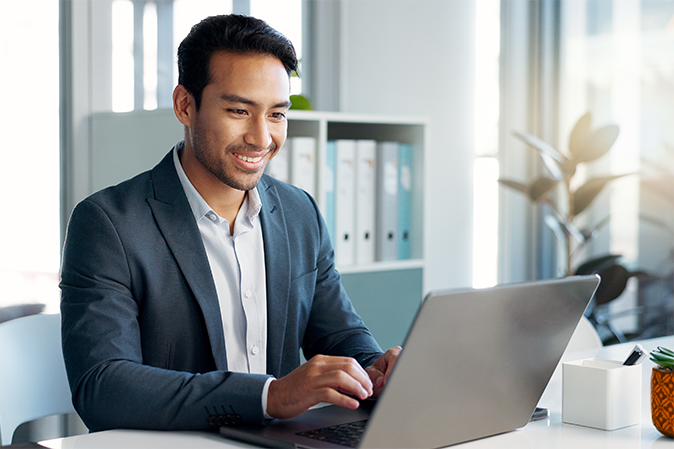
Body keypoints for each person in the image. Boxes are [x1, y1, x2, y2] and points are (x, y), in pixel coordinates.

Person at [60, 14, 401, 432]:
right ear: (185, 106)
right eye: (240, 110)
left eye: (277, 114)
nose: (261, 138)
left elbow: (338, 336)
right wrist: (270, 397)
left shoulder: (299, 213)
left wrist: (375, 369)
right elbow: (103, 387)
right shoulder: (109, 224)